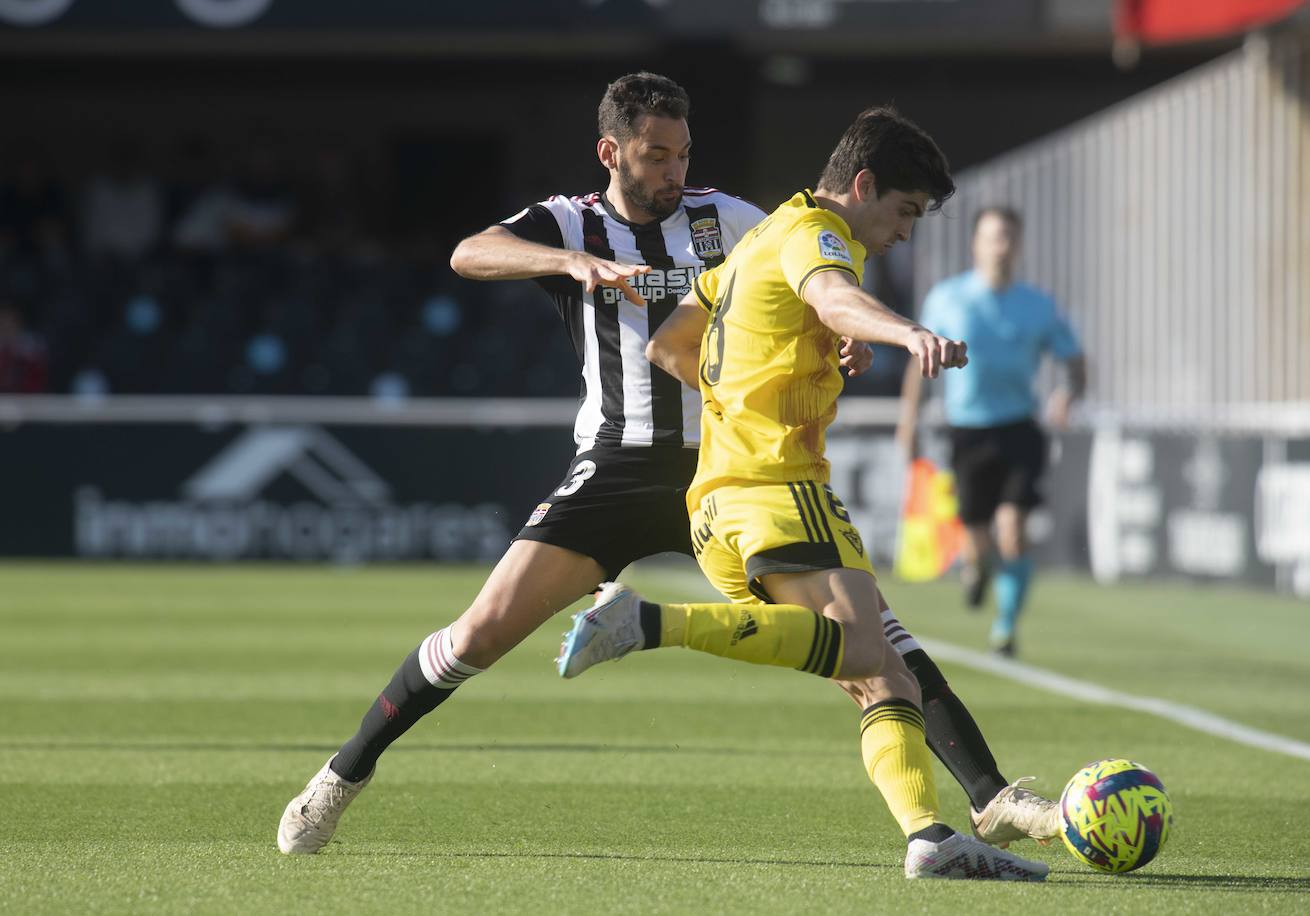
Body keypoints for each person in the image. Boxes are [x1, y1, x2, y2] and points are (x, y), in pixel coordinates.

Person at [276, 76, 1054, 865]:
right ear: (612, 152)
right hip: (617, 466)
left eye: (682, 154)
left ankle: (984, 798)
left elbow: (810, 292)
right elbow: (469, 252)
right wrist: (568, 262)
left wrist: (828, 339)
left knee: (874, 646)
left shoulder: (739, 220)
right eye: (655, 155)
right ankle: (342, 774)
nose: (673, 171)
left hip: (725, 468)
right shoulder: (569, 219)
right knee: (481, 632)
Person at [556, 107, 1052, 880]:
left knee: (877, 675)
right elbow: (831, 292)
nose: (905, 233)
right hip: (783, 488)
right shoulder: (818, 235)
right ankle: (652, 621)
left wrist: (766, 377)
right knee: (868, 653)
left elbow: (669, 344)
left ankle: (930, 834)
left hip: (716, 503)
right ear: (862, 185)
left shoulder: (756, 240)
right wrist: (899, 331)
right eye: (905, 212)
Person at [896, 206, 1085, 656]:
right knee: (977, 540)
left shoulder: (1036, 304)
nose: (1000, 246)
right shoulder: (947, 298)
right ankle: (976, 570)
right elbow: (917, 362)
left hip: (1020, 427)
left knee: (1013, 529)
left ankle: (1005, 627)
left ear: (1018, 246)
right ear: (975, 244)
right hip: (968, 431)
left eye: (1008, 238)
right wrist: (909, 422)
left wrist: (1068, 394)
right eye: (992, 237)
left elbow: (1073, 358)